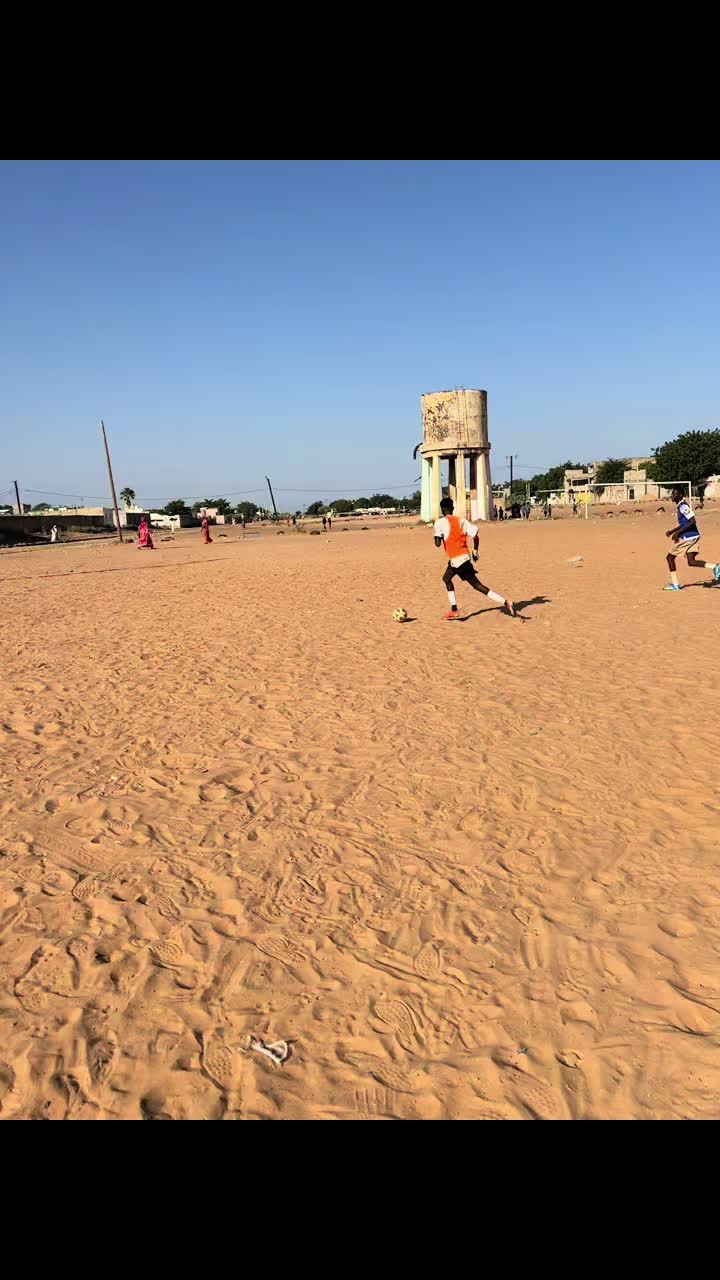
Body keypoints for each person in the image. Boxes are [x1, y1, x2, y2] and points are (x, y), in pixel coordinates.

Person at [434, 497, 517, 620]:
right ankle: (454, 610)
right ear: (452, 508)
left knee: (477, 586)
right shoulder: (461, 521)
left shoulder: (439, 523)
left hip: (457, 560)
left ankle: (506, 602)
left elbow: (437, 543)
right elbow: (476, 536)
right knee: (446, 578)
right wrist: (475, 551)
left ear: (442, 510)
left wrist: (439, 536)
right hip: (463, 558)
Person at [664, 488, 720, 591]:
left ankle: (675, 585)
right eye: (672, 493)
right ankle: (715, 567)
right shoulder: (680, 506)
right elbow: (684, 523)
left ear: (680, 495)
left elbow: (692, 521)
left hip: (688, 537)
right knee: (691, 562)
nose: (672, 495)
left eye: (674, 494)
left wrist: (678, 533)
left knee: (670, 558)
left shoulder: (683, 506)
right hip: (693, 536)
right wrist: (672, 531)